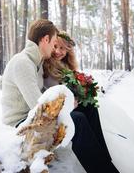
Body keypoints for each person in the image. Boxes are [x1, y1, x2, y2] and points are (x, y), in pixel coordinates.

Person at [43, 31, 119, 173]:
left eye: (63, 49)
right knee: (79, 118)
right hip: (54, 108)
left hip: (66, 105)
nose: (59, 51)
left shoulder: (66, 66)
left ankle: (103, 158)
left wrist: (81, 93)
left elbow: (70, 87)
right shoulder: (46, 63)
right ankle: (100, 167)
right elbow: (51, 91)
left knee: (90, 106)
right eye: (56, 47)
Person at [1, 19, 58, 127]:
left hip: (30, 118)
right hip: (18, 124)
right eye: (54, 44)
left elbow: (2, 82)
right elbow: (39, 108)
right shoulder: (23, 63)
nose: (54, 49)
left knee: (85, 110)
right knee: (78, 119)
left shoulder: (36, 63)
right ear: (46, 39)